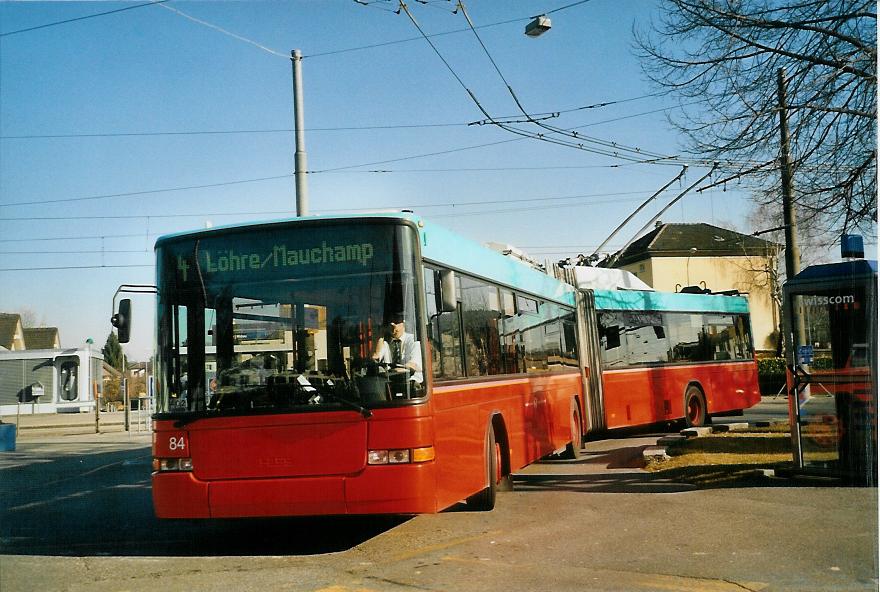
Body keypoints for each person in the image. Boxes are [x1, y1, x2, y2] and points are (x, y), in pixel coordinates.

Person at [372, 312, 423, 384]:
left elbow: (413, 365)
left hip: (411, 383)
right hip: (390, 382)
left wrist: (394, 371)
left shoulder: (413, 340)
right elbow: (376, 358)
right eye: (390, 322)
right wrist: (381, 335)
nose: (393, 325)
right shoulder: (385, 343)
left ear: (404, 323)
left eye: (397, 321)